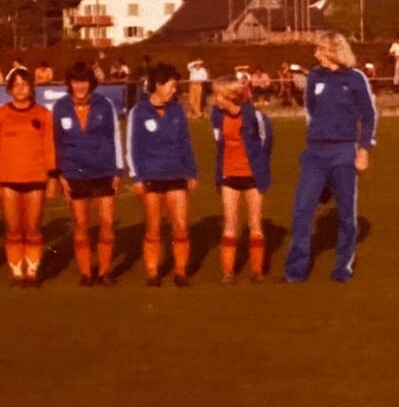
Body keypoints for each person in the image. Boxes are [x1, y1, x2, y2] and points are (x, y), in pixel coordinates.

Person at [284, 33, 378, 284]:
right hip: (315, 153)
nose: (315, 53)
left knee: (347, 213)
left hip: (343, 152)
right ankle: (295, 271)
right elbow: (312, 108)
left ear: (333, 50)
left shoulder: (355, 78)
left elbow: (369, 116)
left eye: (319, 48)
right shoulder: (315, 76)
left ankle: (342, 268)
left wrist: (364, 150)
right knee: (302, 210)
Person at [52, 61, 124, 286]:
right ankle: (86, 272)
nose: (80, 86)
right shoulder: (60, 107)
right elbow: (56, 143)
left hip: (103, 170)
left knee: (107, 222)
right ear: (70, 84)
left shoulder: (105, 104)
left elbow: (115, 138)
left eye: (84, 81)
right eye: (75, 82)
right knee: (81, 225)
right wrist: (60, 174)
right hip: (75, 171)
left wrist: (118, 170)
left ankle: (104, 271)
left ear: (90, 83)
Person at [127, 62, 198, 287]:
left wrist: (191, 172)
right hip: (151, 177)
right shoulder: (139, 112)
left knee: (180, 225)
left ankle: (180, 272)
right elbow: (132, 146)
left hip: (176, 175)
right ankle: (152, 272)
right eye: (171, 86)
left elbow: (185, 142)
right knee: (153, 227)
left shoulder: (176, 110)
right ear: (158, 85)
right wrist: (136, 177)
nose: (174, 90)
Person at [0, 67, 57, 287]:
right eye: (16, 85)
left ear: (31, 88)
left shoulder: (43, 114)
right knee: (13, 228)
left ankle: (33, 270)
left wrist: (52, 177)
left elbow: (49, 147)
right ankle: (17, 271)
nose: (20, 89)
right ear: (9, 89)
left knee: (33, 227)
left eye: (24, 85)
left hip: (36, 177)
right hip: (9, 179)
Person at [209, 77, 273, 284]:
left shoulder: (255, 116)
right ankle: (228, 273)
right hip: (229, 175)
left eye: (217, 95)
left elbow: (266, 141)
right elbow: (219, 142)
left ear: (229, 96)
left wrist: (258, 166)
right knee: (230, 224)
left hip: (253, 177)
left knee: (255, 224)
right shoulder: (217, 116)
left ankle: (257, 272)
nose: (214, 99)